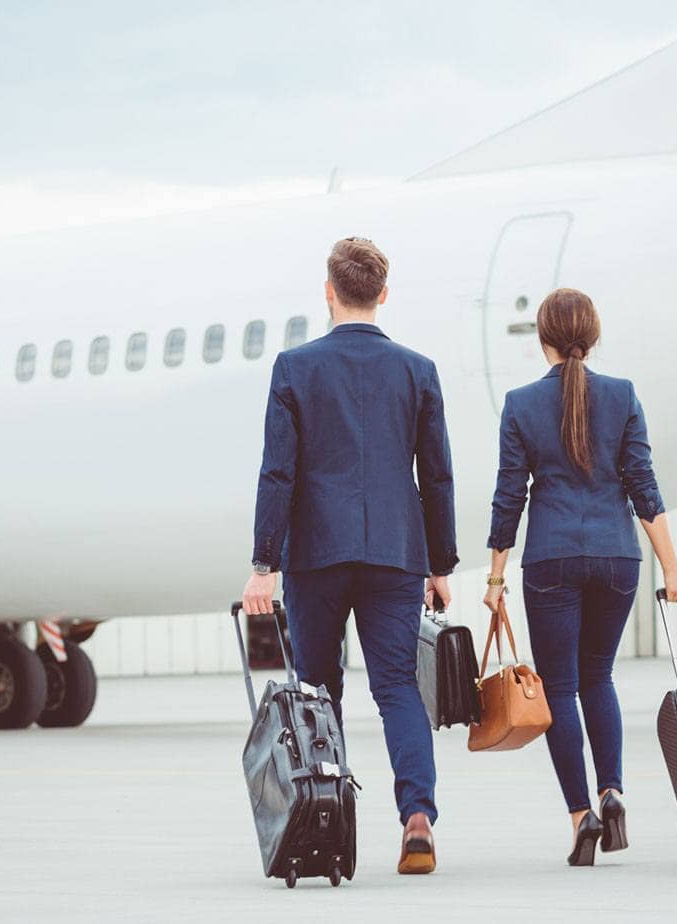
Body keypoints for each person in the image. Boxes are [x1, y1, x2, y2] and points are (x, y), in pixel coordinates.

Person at [242, 237, 458, 875]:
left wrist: (263, 565)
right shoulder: (418, 370)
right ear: (383, 294)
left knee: (317, 691)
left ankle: (325, 823)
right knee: (397, 688)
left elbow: (277, 473)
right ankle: (416, 816)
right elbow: (437, 476)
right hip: (396, 552)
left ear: (329, 292)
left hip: (317, 554)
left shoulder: (294, 368)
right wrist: (441, 565)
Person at [483, 287, 677, 866]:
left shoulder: (521, 404)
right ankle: (613, 789)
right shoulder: (622, 396)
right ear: (592, 336)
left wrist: (495, 579)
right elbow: (644, 490)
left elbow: (509, 499)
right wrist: (672, 569)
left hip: (550, 559)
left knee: (562, 688)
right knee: (598, 677)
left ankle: (581, 815)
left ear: (542, 339)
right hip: (616, 558)